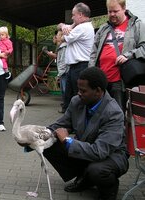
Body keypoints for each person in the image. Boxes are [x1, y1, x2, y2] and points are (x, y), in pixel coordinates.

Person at [43, 67, 129, 200]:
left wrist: (67, 140)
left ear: (98, 91)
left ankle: (109, 190)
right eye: (78, 89)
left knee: (97, 170)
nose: (78, 93)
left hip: (111, 156)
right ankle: (84, 178)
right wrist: (38, 135)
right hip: (87, 148)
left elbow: (100, 151)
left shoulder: (113, 113)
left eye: (83, 91)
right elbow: (61, 125)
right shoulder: (77, 101)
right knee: (47, 144)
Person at [88, 0, 145, 111]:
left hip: (119, 81)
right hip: (101, 80)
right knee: (99, 114)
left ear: (124, 9)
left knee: (117, 114)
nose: (112, 14)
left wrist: (128, 55)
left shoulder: (137, 25)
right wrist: (91, 73)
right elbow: (93, 52)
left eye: (115, 11)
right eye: (110, 11)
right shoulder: (103, 28)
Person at [58, 2, 94, 113]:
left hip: (80, 66)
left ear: (81, 15)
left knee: (77, 96)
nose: (72, 17)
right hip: (75, 67)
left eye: (74, 15)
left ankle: (77, 123)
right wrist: (65, 26)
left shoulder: (83, 27)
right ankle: (69, 120)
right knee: (68, 96)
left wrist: (68, 27)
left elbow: (61, 38)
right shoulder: (81, 26)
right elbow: (59, 26)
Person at [55, 30, 69, 113]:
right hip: (64, 72)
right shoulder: (61, 47)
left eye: (57, 35)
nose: (56, 37)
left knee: (65, 91)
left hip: (64, 72)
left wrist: (59, 74)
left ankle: (66, 108)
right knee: (64, 90)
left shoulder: (64, 47)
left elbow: (63, 62)